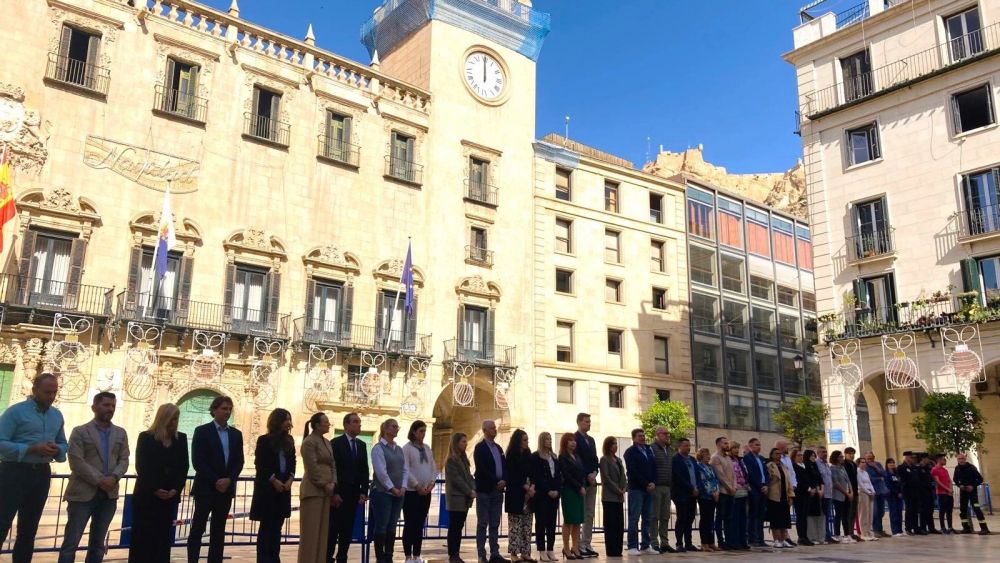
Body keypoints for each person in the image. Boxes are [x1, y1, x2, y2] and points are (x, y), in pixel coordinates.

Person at [0, 373, 68, 562]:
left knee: (29, 528)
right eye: (47, 392)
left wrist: (57, 450)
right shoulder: (15, 412)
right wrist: (31, 449)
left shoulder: (57, 415)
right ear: (34, 390)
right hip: (13, 472)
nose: (51, 396)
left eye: (54, 392)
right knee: (2, 522)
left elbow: (63, 443)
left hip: (41, 474)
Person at [58, 391, 129, 563]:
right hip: (82, 494)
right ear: (94, 407)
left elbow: (124, 459)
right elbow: (76, 461)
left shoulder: (120, 433)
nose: (110, 409)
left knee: (98, 543)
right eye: (106, 405)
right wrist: (100, 480)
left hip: (108, 495)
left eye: (113, 405)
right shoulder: (80, 431)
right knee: (71, 543)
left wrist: (114, 476)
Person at [128, 403, 189, 563]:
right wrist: (154, 488)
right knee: (143, 540)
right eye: (172, 418)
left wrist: (176, 489)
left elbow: (183, 467)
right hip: (147, 497)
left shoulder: (181, 439)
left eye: (176, 418)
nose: (174, 422)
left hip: (169, 498)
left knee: (162, 540)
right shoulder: (146, 437)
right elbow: (142, 466)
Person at [188, 396, 245, 563]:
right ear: (214, 410)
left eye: (229, 409)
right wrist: (216, 480)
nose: (227, 412)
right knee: (197, 528)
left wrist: (229, 479)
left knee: (219, 531)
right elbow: (198, 460)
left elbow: (239, 461)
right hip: (206, 488)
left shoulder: (236, 434)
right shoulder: (202, 431)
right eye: (223, 408)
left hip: (225, 490)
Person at [250, 408, 296, 563]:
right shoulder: (264, 440)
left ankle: (274, 558)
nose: (288, 423)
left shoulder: (289, 441)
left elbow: (292, 462)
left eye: (289, 419)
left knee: (277, 529)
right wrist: (273, 480)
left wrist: (290, 479)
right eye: (285, 419)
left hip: (283, 490)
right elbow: (260, 464)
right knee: (266, 529)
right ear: (277, 421)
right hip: (268, 491)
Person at [329, 412, 369, 563]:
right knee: (333, 529)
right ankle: (328, 557)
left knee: (347, 529)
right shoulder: (335, 443)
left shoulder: (361, 445)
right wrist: (335, 492)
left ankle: (342, 557)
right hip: (339, 494)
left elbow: (364, 470)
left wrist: (364, 491)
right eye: (355, 422)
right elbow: (333, 470)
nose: (359, 424)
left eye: (359, 422)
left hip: (353, 495)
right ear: (346, 425)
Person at [299, 412, 336, 563]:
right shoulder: (309, 442)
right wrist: (323, 483)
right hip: (313, 491)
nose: (328, 424)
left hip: (326, 492)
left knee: (322, 533)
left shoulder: (327, 442)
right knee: (311, 533)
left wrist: (333, 482)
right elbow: (311, 466)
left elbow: (333, 464)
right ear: (317, 425)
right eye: (326, 422)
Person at [371, 419, 408, 563]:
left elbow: (404, 469)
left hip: (398, 493)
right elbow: (381, 472)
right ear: (385, 429)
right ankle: (380, 557)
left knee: (392, 524)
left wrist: (403, 486)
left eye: (397, 426)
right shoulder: (378, 448)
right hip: (383, 493)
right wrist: (391, 488)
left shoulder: (398, 449)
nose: (396, 429)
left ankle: (389, 555)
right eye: (394, 426)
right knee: (382, 524)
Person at [474, 420, 509, 563]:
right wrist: (496, 481)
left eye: (495, 427)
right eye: (492, 428)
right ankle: (482, 554)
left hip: (498, 491)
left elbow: (505, 466)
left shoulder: (499, 448)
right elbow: (481, 469)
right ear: (485, 430)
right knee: (483, 523)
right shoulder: (480, 448)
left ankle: (495, 553)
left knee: (495, 523)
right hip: (485, 490)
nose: (495, 429)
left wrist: (505, 480)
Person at [403, 420, 437, 563]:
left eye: (425, 431)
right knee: (410, 523)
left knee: (419, 524)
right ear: (414, 432)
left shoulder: (427, 448)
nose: (423, 434)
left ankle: (417, 555)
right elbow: (406, 469)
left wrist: (431, 483)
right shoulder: (407, 448)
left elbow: (433, 467)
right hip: (412, 492)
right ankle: (408, 556)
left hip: (426, 492)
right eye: (421, 431)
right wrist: (416, 485)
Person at [504, 429, 535, 563]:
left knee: (527, 526)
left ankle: (526, 552)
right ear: (517, 441)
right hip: (516, 493)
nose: (527, 442)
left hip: (529, 495)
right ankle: (514, 553)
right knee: (515, 526)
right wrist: (524, 486)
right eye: (524, 440)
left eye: (527, 440)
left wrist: (532, 486)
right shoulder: (511, 455)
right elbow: (512, 474)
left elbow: (533, 472)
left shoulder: (529, 455)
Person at [445, 433, 477, 563]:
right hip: (456, 497)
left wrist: (473, 487)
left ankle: (456, 553)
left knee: (459, 527)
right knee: (454, 527)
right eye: (463, 441)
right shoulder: (451, 460)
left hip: (464, 498)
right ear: (456, 443)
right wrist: (469, 491)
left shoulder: (463, 459)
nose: (466, 443)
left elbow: (468, 476)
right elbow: (456, 479)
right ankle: (453, 554)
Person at [623, 428, 655, 556]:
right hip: (637, 488)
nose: (643, 438)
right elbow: (633, 471)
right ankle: (632, 546)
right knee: (634, 518)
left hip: (650, 489)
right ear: (634, 438)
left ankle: (646, 545)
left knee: (647, 518)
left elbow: (654, 467)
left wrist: (653, 482)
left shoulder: (649, 450)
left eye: (643, 435)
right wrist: (646, 483)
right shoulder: (630, 452)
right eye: (640, 436)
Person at [532, 432, 562, 562]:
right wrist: (548, 490)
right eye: (547, 439)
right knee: (541, 523)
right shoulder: (536, 456)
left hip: (554, 495)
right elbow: (537, 476)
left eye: (550, 439)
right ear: (541, 441)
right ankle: (542, 550)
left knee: (551, 523)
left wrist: (557, 490)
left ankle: (550, 549)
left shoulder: (554, 457)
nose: (550, 441)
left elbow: (558, 476)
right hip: (542, 495)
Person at [573, 414, 599, 558]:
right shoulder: (574, 438)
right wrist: (586, 476)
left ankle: (586, 543)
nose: (589, 424)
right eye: (586, 422)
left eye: (590, 421)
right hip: (581, 482)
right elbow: (577, 460)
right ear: (579, 422)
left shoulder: (591, 440)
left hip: (592, 481)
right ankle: (577, 545)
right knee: (580, 514)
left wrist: (594, 473)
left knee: (590, 514)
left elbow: (594, 459)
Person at [558, 432, 586, 559]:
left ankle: (576, 547)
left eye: (574, 440)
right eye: (570, 440)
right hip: (569, 490)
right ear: (565, 442)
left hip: (579, 491)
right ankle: (566, 548)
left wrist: (583, 486)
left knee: (577, 521)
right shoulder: (562, 456)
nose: (573, 442)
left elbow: (582, 473)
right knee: (569, 520)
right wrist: (578, 487)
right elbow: (566, 474)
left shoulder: (577, 456)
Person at [648, 426, 675, 553]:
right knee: (654, 515)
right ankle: (654, 542)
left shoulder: (669, 450)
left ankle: (665, 542)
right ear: (658, 434)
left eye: (668, 434)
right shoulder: (652, 448)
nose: (667, 436)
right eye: (665, 434)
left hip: (667, 486)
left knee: (665, 516)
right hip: (656, 486)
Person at [671, 438, 700, 552]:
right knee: (682, 518)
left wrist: (697, 487)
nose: (688, 447)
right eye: (685, 445)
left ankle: (689, 543)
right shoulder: (675, 460)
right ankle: (679, 543)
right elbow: (678, 477)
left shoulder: (692, 460)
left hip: (693, 493)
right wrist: (691, 488)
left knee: (690, 518)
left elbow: (697, 475)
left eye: (689, 445)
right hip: (681, 493)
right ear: (679, 446)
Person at [599, 436, 626, 558]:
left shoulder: (619, 460)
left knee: (619, 524)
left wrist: (624, 488)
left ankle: (618, 549)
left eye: (616, 443)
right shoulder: (604, 459)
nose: (616, 445)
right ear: (608, 446)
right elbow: (606, 478)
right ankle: (611, 549)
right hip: (609, 497)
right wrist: (617, 489)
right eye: (613, 444)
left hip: (619, 497)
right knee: (610, 524)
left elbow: (623, 476)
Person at [953, 453, 990, 534]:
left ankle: (984, 528)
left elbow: (980, 479)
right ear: (957, 460)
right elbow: (955, 479)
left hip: (972, 492)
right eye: (959, 459)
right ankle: (966, 528)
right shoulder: (957, 468)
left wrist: (972, 486)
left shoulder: (971, 467)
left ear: (965, 459)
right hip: (963, 492)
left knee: (977, 509)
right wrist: (960, 486)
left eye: (962, 458)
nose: (961, 460)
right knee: (962, 510)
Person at [766, 447, 795, 548]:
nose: (778, 456)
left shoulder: (784, 466)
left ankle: (783, 539)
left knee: (784, 519)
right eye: (776, 454)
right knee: (776, 520)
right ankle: (776, 540)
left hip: (784, 496)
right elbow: (768, 480)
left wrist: (791, 495)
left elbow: (789, 482)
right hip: (774, 496)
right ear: (772, 455)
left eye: (780, 454)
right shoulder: (769, 466)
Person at [742, 438, 768, 548]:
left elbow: (766, 473)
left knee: (761, 515)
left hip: (763, 489)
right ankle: (752, 538)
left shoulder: (762, 458)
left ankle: (761, 538)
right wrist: (760, 486)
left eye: (759, 445)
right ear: (750, 446)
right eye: (756, 445)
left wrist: (766, 484)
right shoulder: (747, 458)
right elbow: (750, 474)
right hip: (754, 489)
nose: (759, 447)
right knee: (753, 514)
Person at [709, 437, 733, 550]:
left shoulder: (728, 457)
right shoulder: (715, 458)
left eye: (727, 443)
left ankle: (729, 540)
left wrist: (734, 487)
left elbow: (733, 475)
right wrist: (729, 488)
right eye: (725, 443)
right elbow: (720, 476)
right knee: (720, 517)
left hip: (731, 492)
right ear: (718, 444)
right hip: (723, 492)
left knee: (729, 518)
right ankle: (721, 541)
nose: (727, 445)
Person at [694, 448, 720, 552]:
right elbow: (702, 482)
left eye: (708, 454)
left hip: (713, 496)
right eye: (705, 455)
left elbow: (715, 479)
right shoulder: (699, 466)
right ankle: (704, 543)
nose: (708, 456)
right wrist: (711, 492)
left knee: (710, 520)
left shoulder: (710, 467)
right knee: (705, 520)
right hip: (705, 496)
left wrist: (717, 491)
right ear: (700, 456)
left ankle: (711, 542)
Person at [727, 441, 749, 550]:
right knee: (734, 519)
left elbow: (744, 473)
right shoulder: (728, 460)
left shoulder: (739, 460)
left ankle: (742, 540)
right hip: (735, 491)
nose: (736, 450)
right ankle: (734, 541)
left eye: (738, 448)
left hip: (743, 491)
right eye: (734, 448)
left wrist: (746, 484)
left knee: (742, 518)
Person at [829, 450, 854, 544]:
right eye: (840, 457)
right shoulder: (833, 468)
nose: (842, 458)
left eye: (842, 457)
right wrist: (846, 493)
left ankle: (847, 534)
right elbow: (836, 483)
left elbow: (848, 480)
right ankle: (837, 534)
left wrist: (851, 492)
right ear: (835, 458)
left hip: (847, 494)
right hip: (839, 495)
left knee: (846, 516)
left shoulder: (842, 468)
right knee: (838, 515)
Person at [802, 450, 826, 545]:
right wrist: (816, 489)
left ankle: (821, 537)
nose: (813, 457)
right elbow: (809, 479)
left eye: (814, 455)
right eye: (811, 455)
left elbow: (820, 479)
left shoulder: (815, 465)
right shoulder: (806, 465)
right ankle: (812, 537)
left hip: (819, 492)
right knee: (811, 516)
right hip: (812, 493)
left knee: (820, 515)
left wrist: (822, 489)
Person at [791, 450, 814, 546]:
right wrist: (808, 488)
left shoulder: (804, 466)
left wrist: (812, 487)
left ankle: (805, 536)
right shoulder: (795, 467)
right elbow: (798, 481)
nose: (800, 457)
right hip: (800, 494)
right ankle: (801, 536)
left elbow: (809, 478)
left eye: (801, 455)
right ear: (794, 457)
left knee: (805, 516)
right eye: (798, 455)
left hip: (807, 494)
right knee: (800, 516)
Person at [864, 452, 889, 538]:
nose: (870, 460)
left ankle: (880, 529)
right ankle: (875, 530)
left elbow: (885, 475)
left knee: (881, 512)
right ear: (865, 459)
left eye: (871, 458)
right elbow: (870, 479)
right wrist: (879, 478)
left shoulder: (878, 464)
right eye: (868, 459)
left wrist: (876, 468)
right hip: (872, 492)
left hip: (881, 491)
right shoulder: (865, 467)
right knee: (875, 512)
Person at [816, 447, 837, 544]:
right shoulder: (817, 463)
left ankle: (828, 535)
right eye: (823, 452)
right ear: (818, 453)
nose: (825, 454)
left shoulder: (826, 464)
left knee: (828, 515)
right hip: (822, 494)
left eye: (826, 452)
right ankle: (824, 535)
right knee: (823, 515)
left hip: (829, 493)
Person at [898, 451, 921, 535]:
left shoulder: (914, 467)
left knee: (915, 510)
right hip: (908, 492)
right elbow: (902, 480)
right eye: (911, 458)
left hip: (915, 492)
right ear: (906, 458)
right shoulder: (901, 467)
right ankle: (908, 528)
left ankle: (916, 527)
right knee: (909, 510)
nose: (913, 459)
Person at [931, 454, 955, 534]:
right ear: (938, 460)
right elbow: (938, 482)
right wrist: (947, 489)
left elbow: (949, 480)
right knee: (942, 511)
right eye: (943, 459)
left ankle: (950, 527)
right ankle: (943, 527)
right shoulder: (934, 469)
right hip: (941, 493)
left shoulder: (945, 470)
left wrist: (951, 489)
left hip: (948, 493)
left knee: (949, 511)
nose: (945, 461)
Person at [856, 459, 877, 541]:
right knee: (863, 514)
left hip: (870, 494)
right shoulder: (857, 472)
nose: (864, 464)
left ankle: (869, 532)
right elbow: (860, 484)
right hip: (863, 493)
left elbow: (869, 483)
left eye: (865, 462)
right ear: (858, 463)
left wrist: (873, 491)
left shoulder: (866, 473)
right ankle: (863, 533)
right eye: (862, 462)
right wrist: (868, 492)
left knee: (870, 514)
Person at [917, 454, 938, 533]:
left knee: (930, 510)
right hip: (923, 493)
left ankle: (931, 528)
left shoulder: (928, 468)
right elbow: (919, 481)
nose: (928, 460)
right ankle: (923, 527)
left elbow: (930, 479)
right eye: (927, 459)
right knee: (923, 511)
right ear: (923, 459)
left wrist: (932, 485)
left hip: (929, 492)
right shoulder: (919, 468)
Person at [842, 447, 859, 540]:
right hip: (848, 491)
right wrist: (849, 491)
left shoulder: (854, 464)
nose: (851, 456)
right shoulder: (844, 464)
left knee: (853, 513)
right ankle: (847, 532)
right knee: (848, 513)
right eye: (849, 454)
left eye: (853, 454)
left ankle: (852, 532)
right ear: (845, 454)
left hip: (855, 490)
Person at [884, 458, 904, 536]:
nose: (892, 464)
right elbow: (889, 485)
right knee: (894, 513)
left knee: (899, 513)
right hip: (892, 495)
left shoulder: (896, 473)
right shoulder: (886, 474)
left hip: (899, 495)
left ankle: (900, 530)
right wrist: (896, 493)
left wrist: (901, 492)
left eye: (893, 462)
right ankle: (895, 531)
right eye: (890, 463)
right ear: (887, 464)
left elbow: (900, 483)